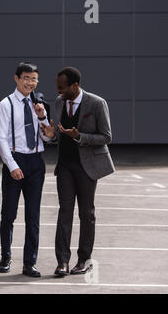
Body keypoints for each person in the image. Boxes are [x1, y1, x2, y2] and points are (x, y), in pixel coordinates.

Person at [40, 66, 115, 277]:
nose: (58, 91)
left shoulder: (97, 103)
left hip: (86, 166)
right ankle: (62, 261)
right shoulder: (59, 101)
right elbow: (60, 134)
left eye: (62, 87)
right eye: (57, 87)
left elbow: (106, 137)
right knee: (64, 212)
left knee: (86, 213)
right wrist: (51, 135)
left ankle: (84, 260)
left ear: (75, 85)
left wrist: (80, 136)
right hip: (64, 165)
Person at [0, 62, 52, 277]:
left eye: (34, 79)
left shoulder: (39, 103)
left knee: (33, 215)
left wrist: (42, 116)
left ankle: (30, 262)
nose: (31, 82)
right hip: (16, 159)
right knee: (8, 214)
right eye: (26, 78)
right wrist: (12, 165)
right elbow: (1, 138)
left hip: (36, 161)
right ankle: (6, 256)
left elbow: (47, 136)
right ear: (17, 78)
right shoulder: (6, 104)